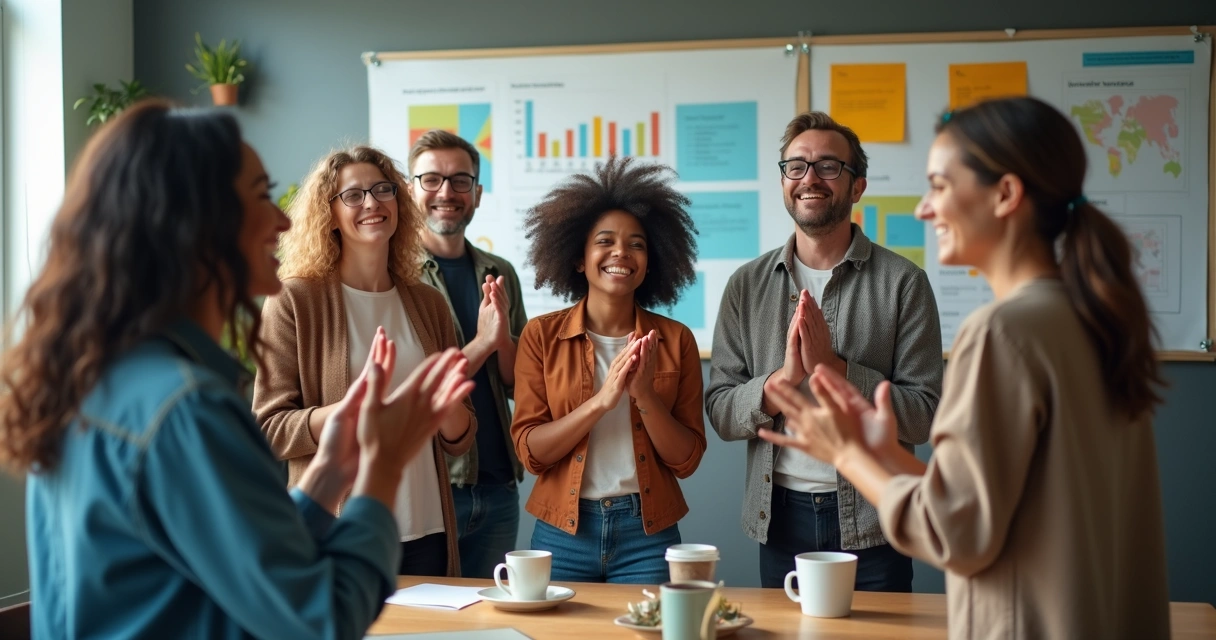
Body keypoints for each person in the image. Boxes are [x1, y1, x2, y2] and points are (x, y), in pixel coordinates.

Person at [0, 100, 474, 638]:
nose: (282, 219)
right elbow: (322, 618)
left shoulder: (104, 381)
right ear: (194, 224)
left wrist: (329, 473)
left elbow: (242, 560)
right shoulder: (185, 408)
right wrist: (382, 463)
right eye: (258, 195)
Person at [760, 97, 1171, 638]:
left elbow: (954, 532)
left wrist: (847, 454)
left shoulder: (1003, 332)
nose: (925, 210)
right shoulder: (1092, 319)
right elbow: (1002, 502)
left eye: (940, 185)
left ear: (1004, 195)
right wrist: (887, 456)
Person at [705, 111, 943, 591]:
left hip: (877, 515)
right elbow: (722, 412)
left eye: (828, 166)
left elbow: (924, 415)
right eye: (796, 167)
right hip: (780, 515)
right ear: (783, 182)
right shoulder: (746, 286)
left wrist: (836, 369)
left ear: (857, 187)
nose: (809, 178)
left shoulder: (905, 284)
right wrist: (783, 381)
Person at [254, 144, 476, 578]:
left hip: (427, 530)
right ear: (329, 214)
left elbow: (461, 437)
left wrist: (443, 407)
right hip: (340, 530)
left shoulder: (429, 303)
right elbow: (270, 429)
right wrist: (355, 410)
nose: (371, 203)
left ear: (399, 201)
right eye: (352, 195)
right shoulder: (293, 300)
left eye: (382, 190)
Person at [512, 157, 707, 584]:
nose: (621, 252)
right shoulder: (541, 336)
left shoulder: (676, 341)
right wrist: (600, 403)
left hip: (648, 534)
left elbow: (687, 459)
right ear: (579, 258)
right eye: (605, 241)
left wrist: (644, 395)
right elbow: (530, 452)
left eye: (637, 244)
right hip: (562, 532)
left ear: (651, 261)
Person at [407, 130, 528, 578]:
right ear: (410, 190)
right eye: (431, 179)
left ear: (477, 194)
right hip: (436, 485)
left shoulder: (500, 273)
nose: (446, 192)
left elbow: (517, 381)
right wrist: (480, 343)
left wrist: (500, 339)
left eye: (460, 181)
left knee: (491, 617)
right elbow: (420, 385)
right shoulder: (398, 278)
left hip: (499, 485)